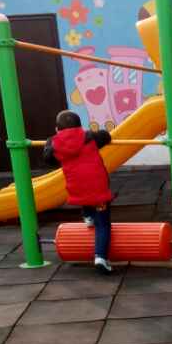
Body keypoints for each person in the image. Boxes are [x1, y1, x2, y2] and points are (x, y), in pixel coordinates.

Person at [44, 111, 113, 274]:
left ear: (57, 129)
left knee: (84, 196)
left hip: (76, 187)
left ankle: (88, 216)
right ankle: (100, 257)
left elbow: (48, 158)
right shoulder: (90, 137)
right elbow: (106, 136)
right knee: (103, 224)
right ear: (80, 126)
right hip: (98, 188)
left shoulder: (54, 143)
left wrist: (51, 141)